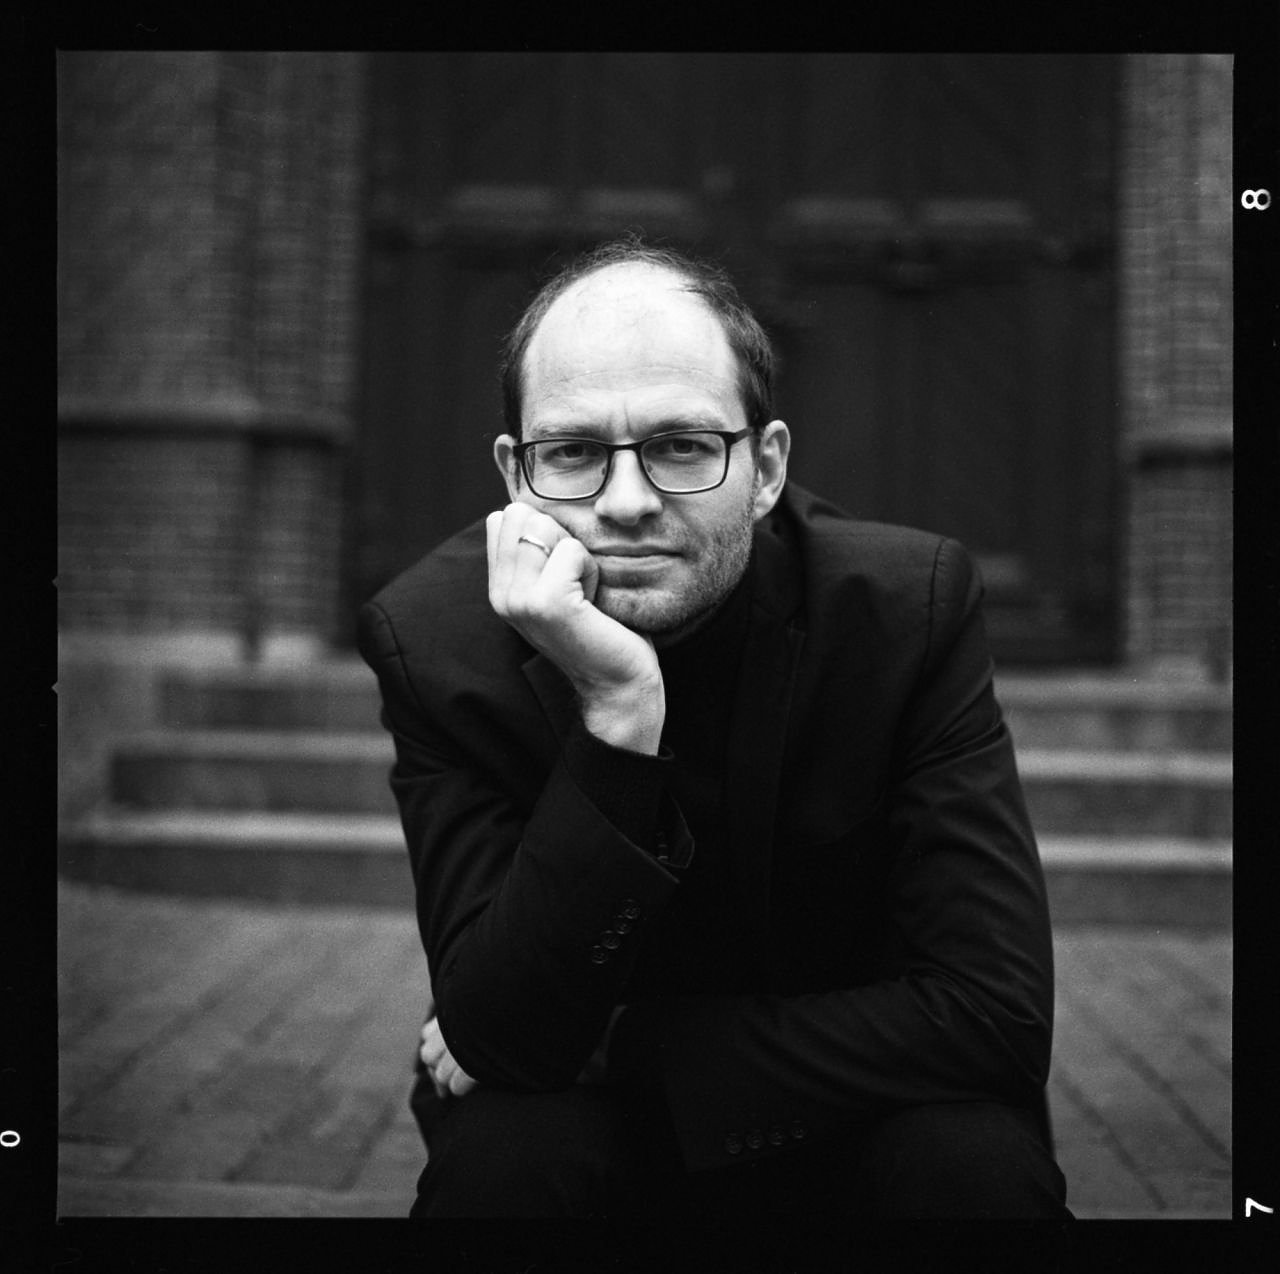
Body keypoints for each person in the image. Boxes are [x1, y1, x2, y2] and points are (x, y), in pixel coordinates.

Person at [356, 237, 1071, 1225]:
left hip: (853, 1105)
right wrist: (618, 716)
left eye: (682, 446)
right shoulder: (436, 645)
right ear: (516, 474)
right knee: (505, 1166)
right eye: (573, 453)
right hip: (575, 1117)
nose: (626, 503)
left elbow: (994, 1017)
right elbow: (502, 1038)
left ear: (765, 467)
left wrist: (626, 1044)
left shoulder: (904, 612)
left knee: (974, 1169)